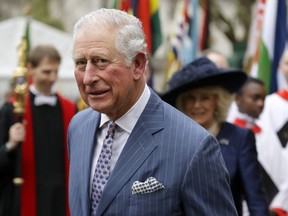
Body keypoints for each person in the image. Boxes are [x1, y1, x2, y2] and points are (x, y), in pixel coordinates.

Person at [68, 8, 237, 216]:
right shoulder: (78, 127)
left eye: (101, 61)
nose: (88, 78)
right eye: (81, 63)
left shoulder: (193, 146)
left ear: (138, 65)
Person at [162, 57, 269, 216]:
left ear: (218, 101)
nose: (197, 105)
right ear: (182, 103)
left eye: (205, 98)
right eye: (190, 98)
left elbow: (256, 201)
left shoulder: (240, 138)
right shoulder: (171, 139)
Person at [0, 45, 76, 216]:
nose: (53, 78)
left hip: (60, 199)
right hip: (22, 200)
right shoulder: (11, 110)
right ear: (30, 69)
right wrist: (10, 145)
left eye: (56, 72)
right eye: (46, 72)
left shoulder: (70, 109)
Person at [256, 49, 288, 215]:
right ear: (280, 67)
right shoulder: (267, 105)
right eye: (287, 63)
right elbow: (265, 152)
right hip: (274, 197)